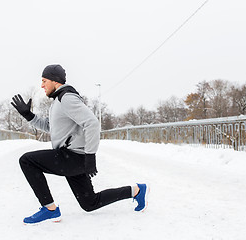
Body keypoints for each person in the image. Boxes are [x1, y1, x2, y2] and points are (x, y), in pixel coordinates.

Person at [11, 64, 149, 225]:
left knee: (27, 161)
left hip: (72, 156)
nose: (42, 85)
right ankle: (136, 191)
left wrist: (90, 155)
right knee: (90, 203)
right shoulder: (58, 100)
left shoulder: (66, 98)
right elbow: (51, 127)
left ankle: (50, 209)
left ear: (55, 81)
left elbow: (92, 123)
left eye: (44, 80)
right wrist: (29, 116)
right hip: (73, 158)